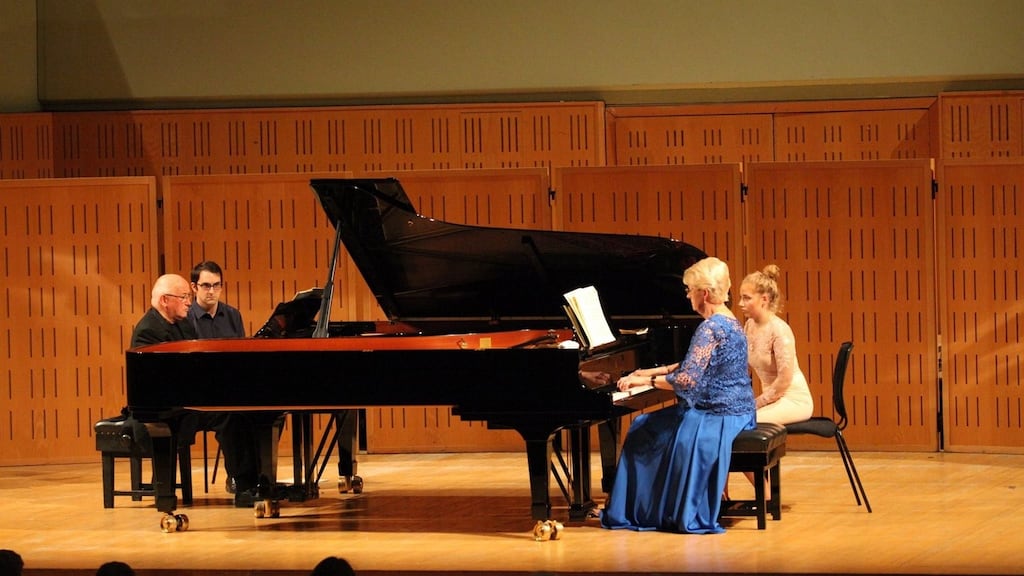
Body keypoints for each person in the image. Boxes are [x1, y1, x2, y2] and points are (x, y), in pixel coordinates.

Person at [600, 256, 756, 534]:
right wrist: (644, 373)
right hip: (740, 412)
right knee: (646, 426)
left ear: (704, 293)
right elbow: (689, 364)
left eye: (689, 290)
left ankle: (644, 509)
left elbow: (686, 380)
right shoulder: (731, 322)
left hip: (717, 416)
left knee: (641, 428)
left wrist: (645, 381)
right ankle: (652, 504)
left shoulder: (710, 328)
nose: (686, 295)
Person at [185, 260, 274, 507]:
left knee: (265, 412)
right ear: (194, 287)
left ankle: (262, 478)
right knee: (231, 416)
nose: (211, 291)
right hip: (201, 398)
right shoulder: (187, 319)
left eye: (216, 285)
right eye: (205, 286)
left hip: (230, 390)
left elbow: (240, 356)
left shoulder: (233, 315)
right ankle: (243, 482)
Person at [737, 264, 813, 425]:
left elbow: (784, 380)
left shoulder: (779, 330)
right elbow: (744, 367)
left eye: (746, 298)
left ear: (764, 299)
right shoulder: (749, 325)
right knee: (733, 418)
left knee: (745, 422)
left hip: (794, 400)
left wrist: (756, 403)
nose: (740, 303)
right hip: (772, 400)